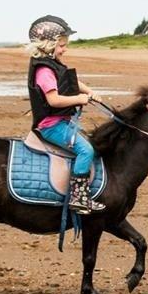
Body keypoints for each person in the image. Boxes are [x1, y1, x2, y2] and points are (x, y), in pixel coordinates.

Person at [26, 15, 105, 214]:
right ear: (47, 45)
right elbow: (54, 101)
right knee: (86, 150)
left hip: (62, 121)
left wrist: (89, 92)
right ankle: (79, 198)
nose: (64, 49)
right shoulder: (44, 71)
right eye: (61, 45)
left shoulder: (55, 65)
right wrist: (79, 99)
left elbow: (73, 83)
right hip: (51, 125)